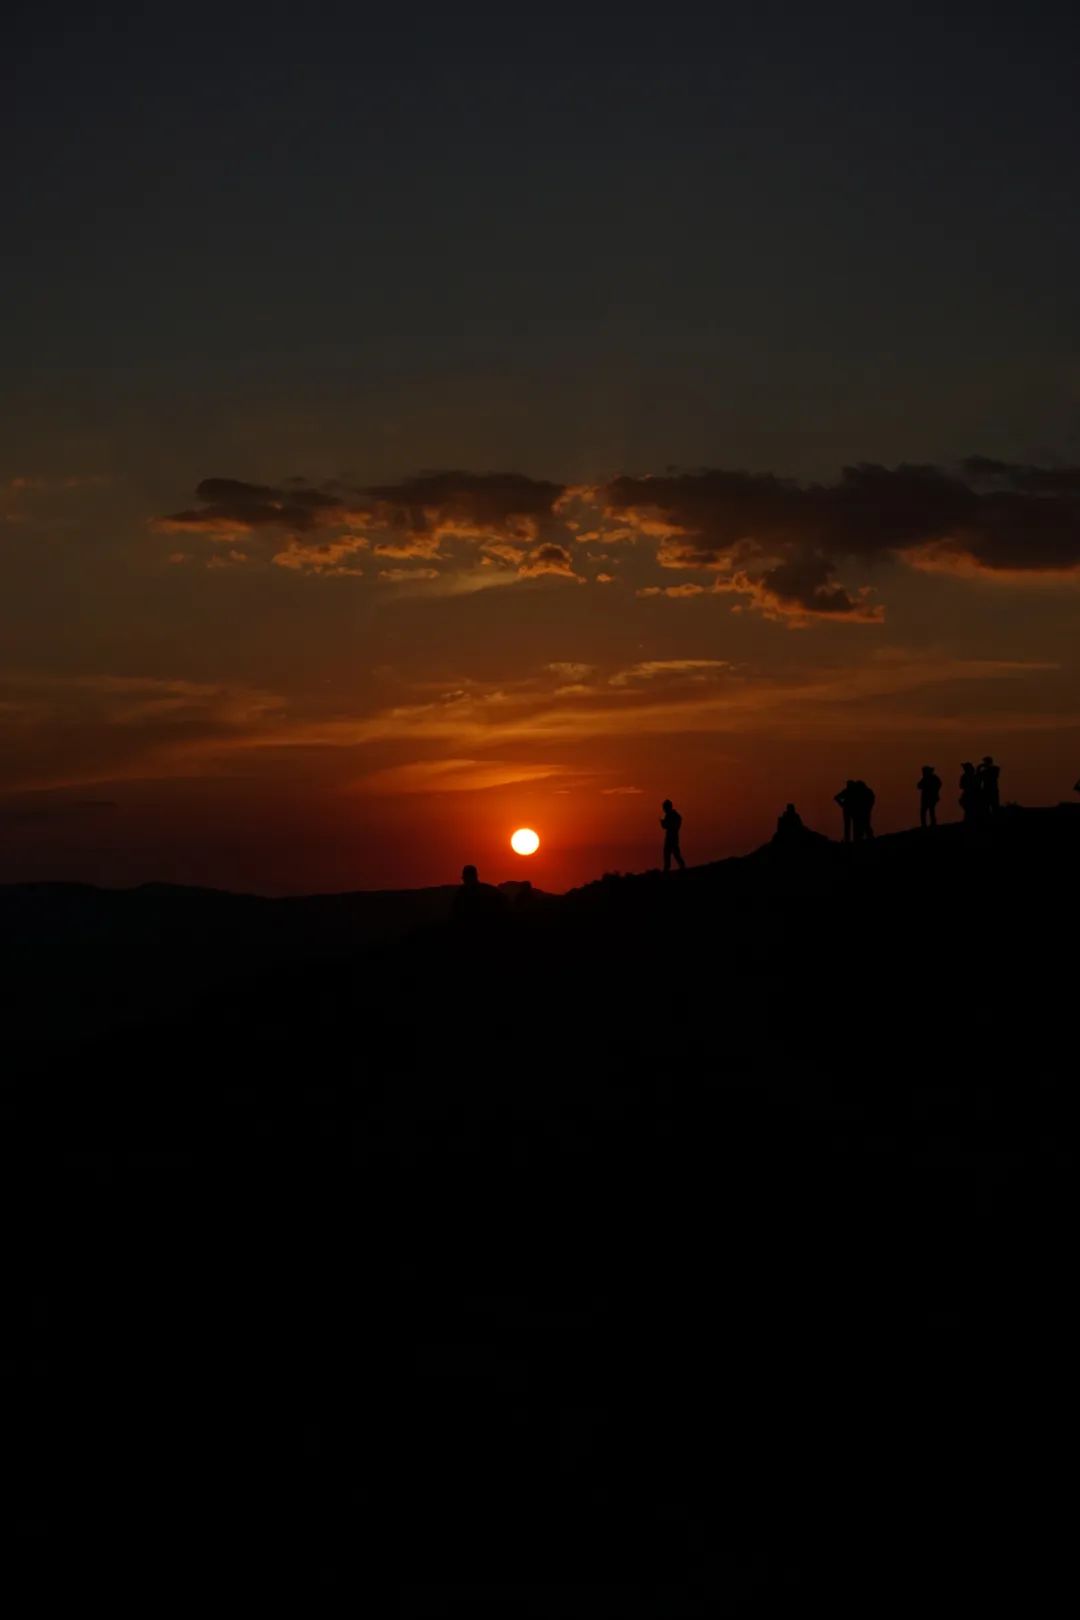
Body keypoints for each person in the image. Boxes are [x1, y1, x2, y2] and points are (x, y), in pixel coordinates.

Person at [660, 799, 686, 873]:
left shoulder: (672, 815)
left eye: (664, 807)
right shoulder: (672, 815)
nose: (663, 809)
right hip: (672, 837)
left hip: (672, 837)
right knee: (670, 853)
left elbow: (669, 826)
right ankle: (668, 868)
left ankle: (680, 866)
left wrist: (664, 823)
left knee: (672, 853)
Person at [918, 766, 942, 830]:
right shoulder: (926, 778)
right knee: (927, 811)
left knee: (929, 810)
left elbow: (939, 784)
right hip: (928, 797)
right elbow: (919, 786)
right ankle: (926, 824)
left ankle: (930, 824)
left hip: (930, 797)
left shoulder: (931, 778)